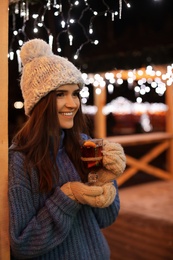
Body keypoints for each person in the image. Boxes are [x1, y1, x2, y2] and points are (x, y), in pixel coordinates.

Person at [8, 38, 126, 260]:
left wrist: (106, 178)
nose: (72, 103)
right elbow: (23, 245)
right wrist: (68, 196)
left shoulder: (83, 144)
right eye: (60, 94)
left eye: (75, 93)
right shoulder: (21, 161)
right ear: (39, 102)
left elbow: (107, 218)